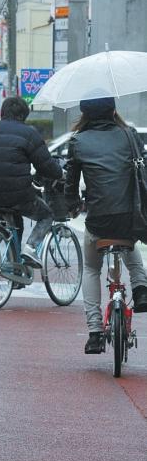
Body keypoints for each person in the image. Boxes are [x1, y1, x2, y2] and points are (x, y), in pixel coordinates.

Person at [64, 95, 147, 354]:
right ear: (113, 110)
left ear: (85, 114)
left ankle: (95, 333)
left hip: (99, 220)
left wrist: (73, 204)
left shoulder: (78, 141)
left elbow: (70, 180)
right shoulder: (130, 134)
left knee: (90, 268)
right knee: (129, 241)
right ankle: (141, 290)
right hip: (131, 215)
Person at [0, 96, 63, 268]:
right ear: (24, 115)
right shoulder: (29, 133)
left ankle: (15, 271)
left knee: (15, 225)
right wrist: (59, 172)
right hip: (20, 193)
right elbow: (46, 166)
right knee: (46, 215)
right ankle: (31, 248)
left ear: (2, 113)